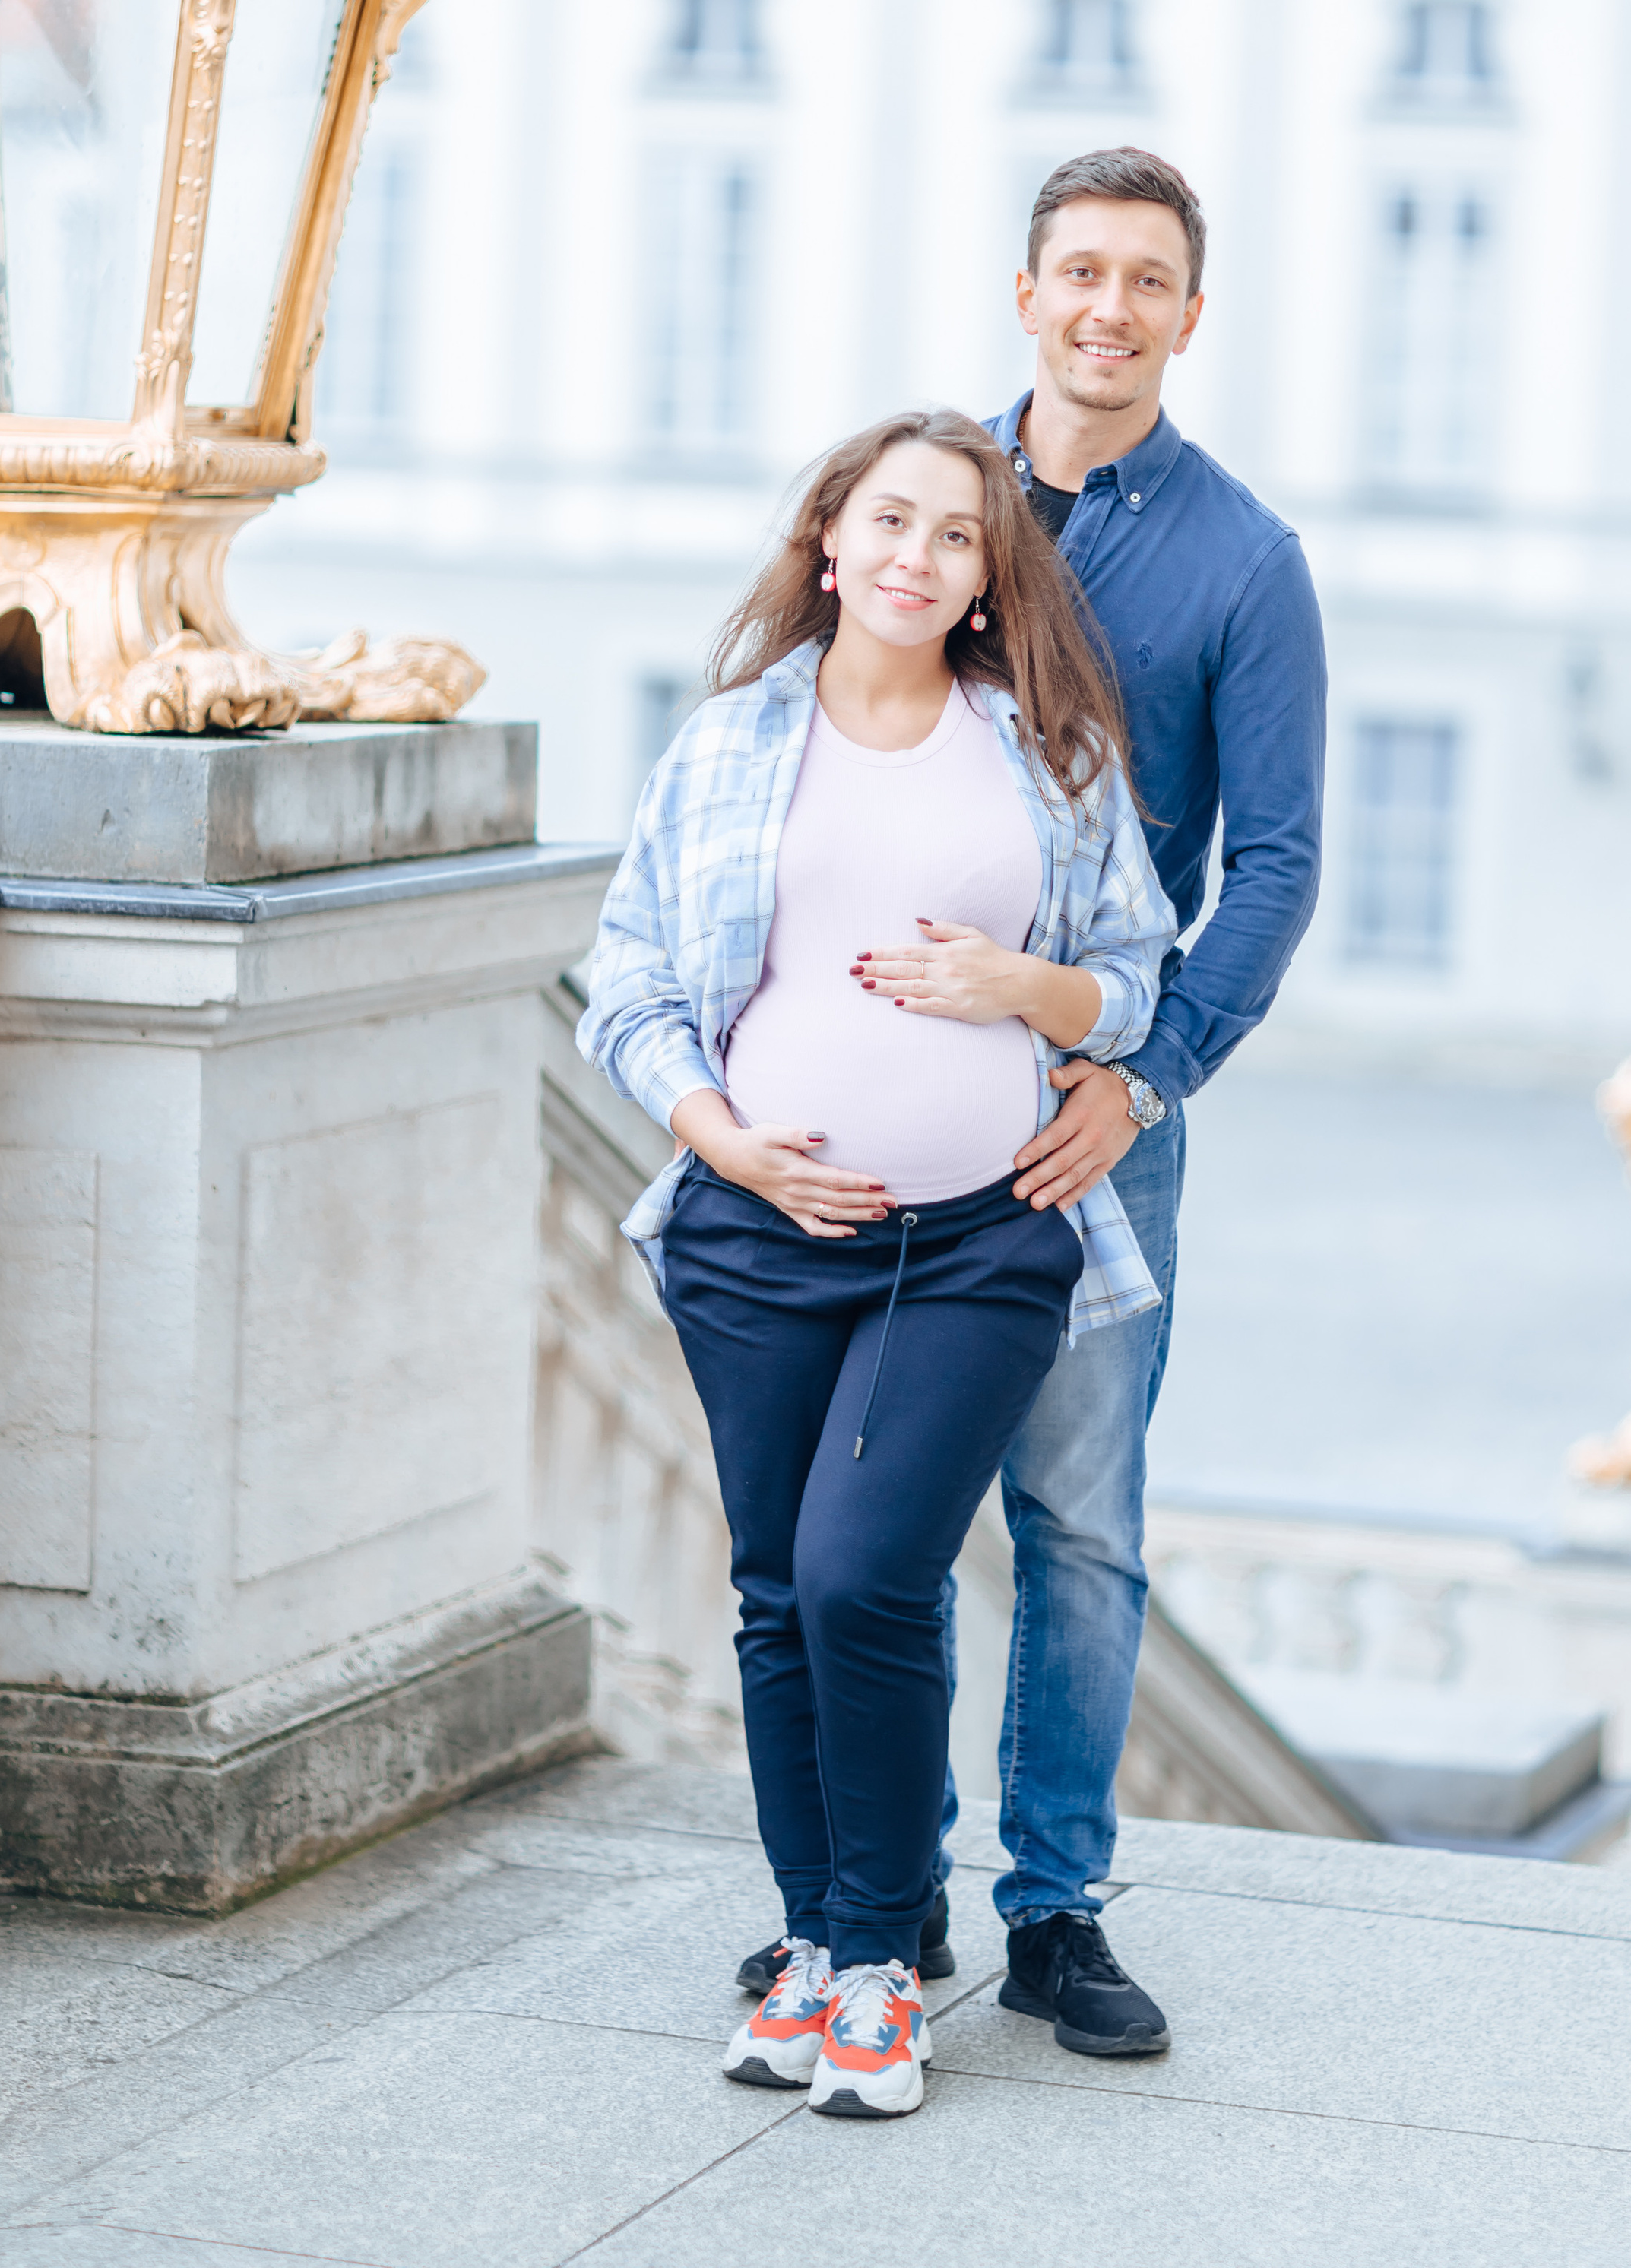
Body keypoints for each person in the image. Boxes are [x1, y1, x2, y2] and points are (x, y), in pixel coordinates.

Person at [733, 150, 1328, 2060]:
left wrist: (1142, 1084)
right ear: (1024, 291)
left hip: (1093, 1117)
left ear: (1186, 316)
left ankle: (1055, 1909)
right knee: (846, 1538)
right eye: (1079, 271)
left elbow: (1279, 867)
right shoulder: (923, 505)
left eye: (1144, 281)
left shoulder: (1245, 562)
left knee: (1076, 1523)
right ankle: (869, 1909)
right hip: (866, 1135)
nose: (1107, 308)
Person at [577, 407, 1177, 2119]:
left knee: (864, 1577)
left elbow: (1130, 981)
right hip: (758, 1238)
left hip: (980, 1241)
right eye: (887, 524)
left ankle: (871, 1963)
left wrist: (1025, 992)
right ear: (828, 544)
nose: (916, 557)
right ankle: (838, 1959)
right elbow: (624, 980)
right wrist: (716, 1133)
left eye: (955, 537)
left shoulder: (1046, 755)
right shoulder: (725, 745)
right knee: (776, 1592)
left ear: (987, 584)